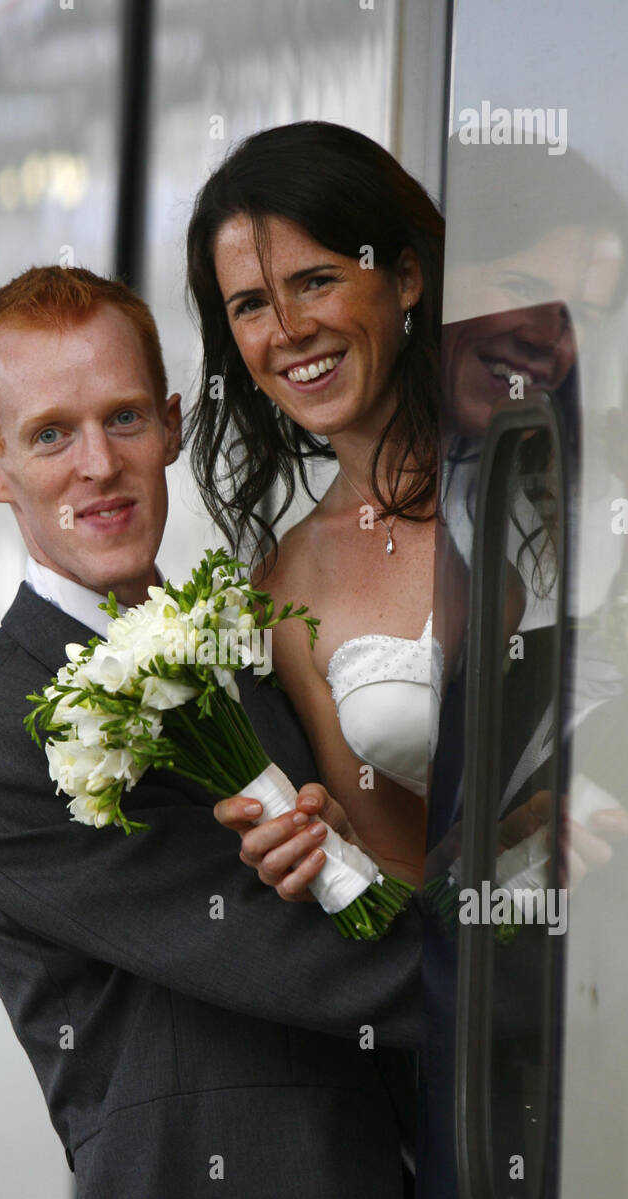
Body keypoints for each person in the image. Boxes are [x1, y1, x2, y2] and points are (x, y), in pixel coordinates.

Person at [0, 263, 425, 1199]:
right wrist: (554, 968)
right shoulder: (0, 747)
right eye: (51, 434)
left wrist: (343, 850)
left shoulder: (234, 635)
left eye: (122, 418)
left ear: (171, 423)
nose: (98, 465)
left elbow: (356, 872)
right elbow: (326, 968)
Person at [186, 122, 445, 890]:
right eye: (250, 305)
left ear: (404, 277)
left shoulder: (539, 458)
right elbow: (406, 869)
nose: (289, 332)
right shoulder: (281, 591)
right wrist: (330, 846)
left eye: (315, 281)